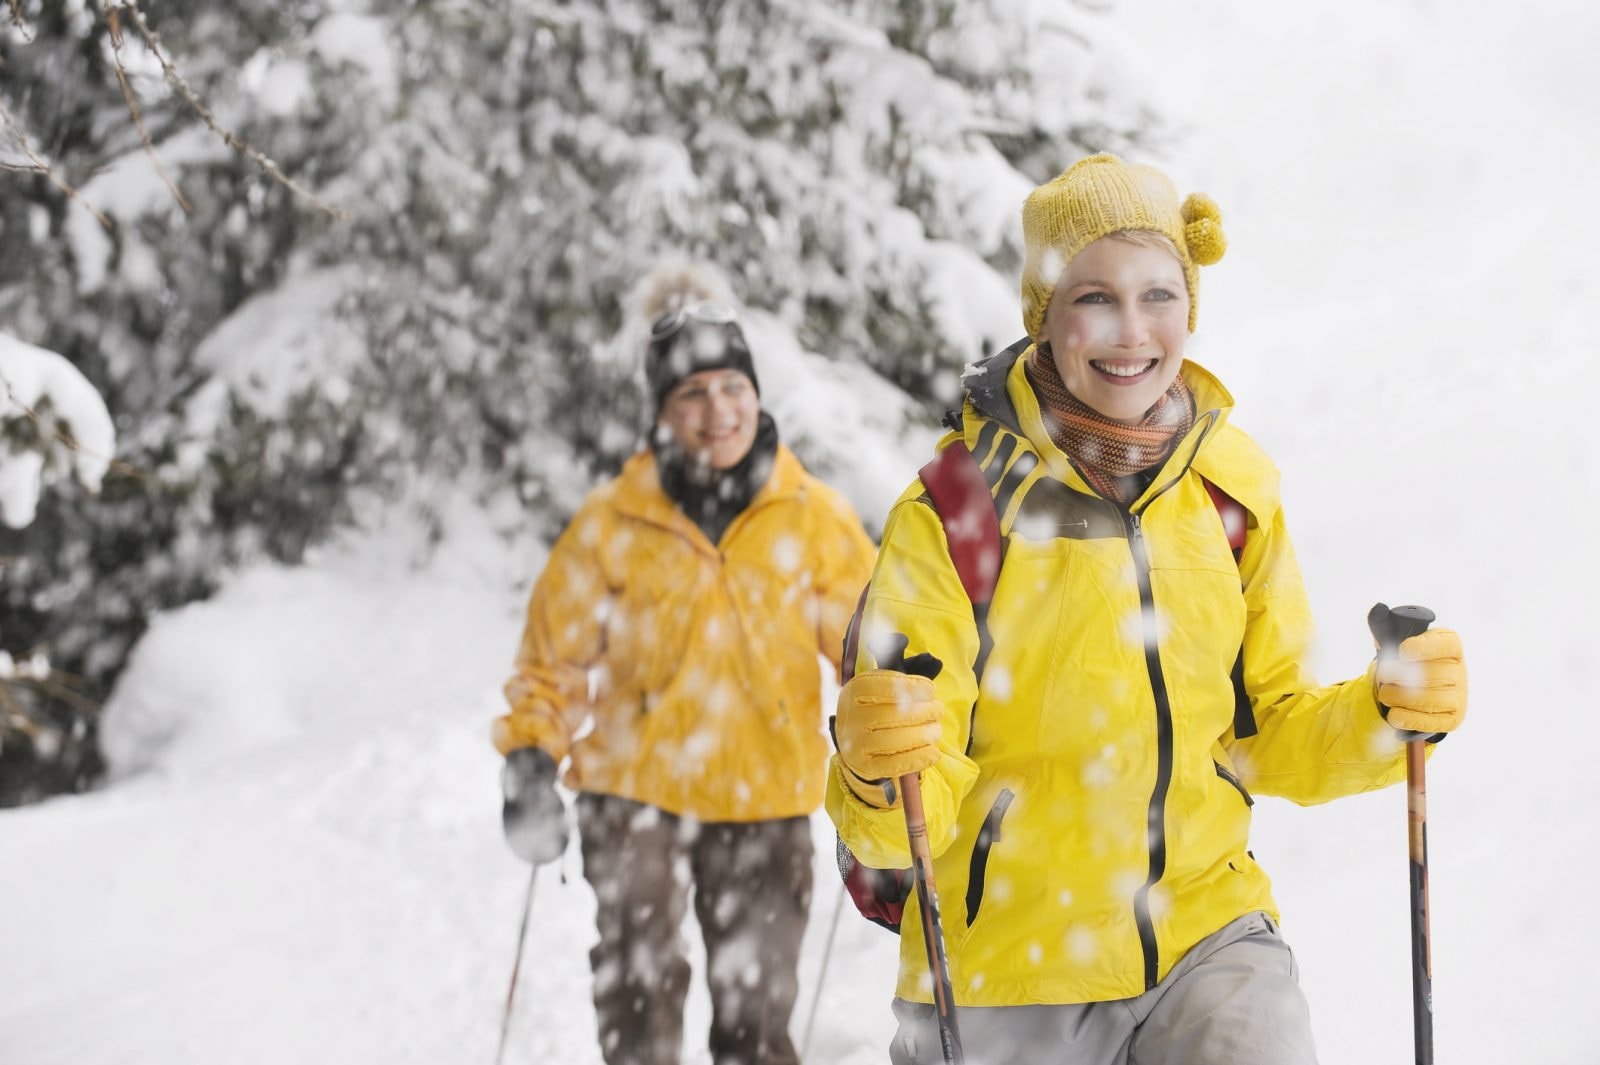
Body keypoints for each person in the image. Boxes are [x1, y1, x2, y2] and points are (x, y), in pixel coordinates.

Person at [825, 154, 1469, 1065]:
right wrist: (873, 766)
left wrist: (1385, 712)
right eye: (1094, 297)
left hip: (1205, 932)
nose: (1132, 331)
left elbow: (1270, 728)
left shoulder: (1229, 493)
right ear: (1044, 315)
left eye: (1159, 294)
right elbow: (905, 812)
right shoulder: (961, 511)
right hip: (1011, 965)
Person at [493, 267, 877, 1065]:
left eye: (732, 386)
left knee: (758, 1021)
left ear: (757, 393)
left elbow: (873, 651)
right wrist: (532, 755)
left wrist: (891, 750)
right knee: (638, 1002)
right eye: (692, 394)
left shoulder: (811, 518)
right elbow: (549, 663)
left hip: (764, 795)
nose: (717, 412)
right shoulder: (612, 521)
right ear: (662, 413)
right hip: (636, 798)